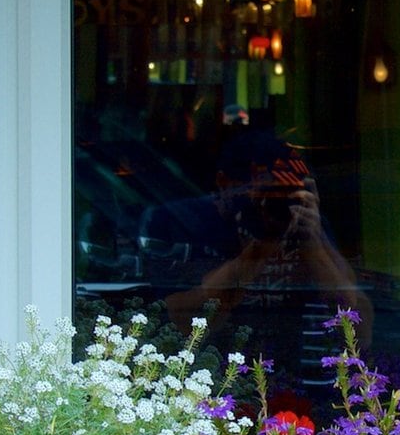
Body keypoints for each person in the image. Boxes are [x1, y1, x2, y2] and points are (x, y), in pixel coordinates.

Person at [155, 129, 370, 389]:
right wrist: (260, 249)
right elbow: (180, 323)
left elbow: (360, 329)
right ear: (224, 184)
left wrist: (313, 242)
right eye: (262, 191)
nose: (271, 203)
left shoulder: (305, 223)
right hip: (216, 385)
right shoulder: (192, 224)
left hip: (304, 386)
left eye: (284, 192)